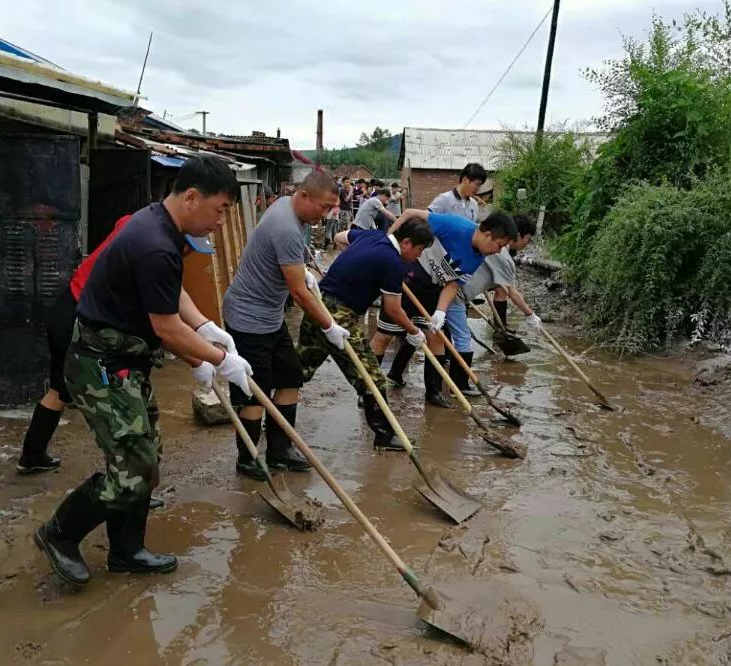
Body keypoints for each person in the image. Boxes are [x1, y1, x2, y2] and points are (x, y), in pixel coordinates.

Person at [33, 155, 253, 586]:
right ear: (192, 197)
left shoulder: (159, 226)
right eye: (221, 209)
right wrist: (217, 359)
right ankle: (59, 533)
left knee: (145, 456)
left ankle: (126, 549)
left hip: (127, 363)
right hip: (102, 365)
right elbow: (165, 326)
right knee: (133, 467)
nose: (222, 221)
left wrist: (205, 326)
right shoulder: (154, 240)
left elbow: (171, 295)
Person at [222, 170, 349, 480]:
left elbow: (289, 269)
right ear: (304, 196)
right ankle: (248, 458)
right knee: (256, 389)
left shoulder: (288, 209)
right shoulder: (286, 227)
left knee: (290, 375)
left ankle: (279, 451)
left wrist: (302, 270)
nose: (326, 214)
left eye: (331, 208)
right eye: (323, 206)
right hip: (249, 319)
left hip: (270, 316)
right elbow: (299, 294)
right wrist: (329, 325)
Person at [299, 218, 433, 449]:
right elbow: (393, 309)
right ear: (407, 242)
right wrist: (414, 331)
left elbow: (340, 237)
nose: (418, 257)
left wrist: (358, 265)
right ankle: (385, 435)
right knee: (371, 375)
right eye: (419, 250)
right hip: (339, 315)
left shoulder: (373, 236)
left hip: (318, 304)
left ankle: (261, 409)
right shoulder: (393, 262)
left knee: (300, 366)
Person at [16, 214, 130, 476]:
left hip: (65, 308)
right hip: (81, 319)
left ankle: (31, 455)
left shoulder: (132, 223)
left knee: (59, 389)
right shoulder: (148, 238)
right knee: (112, 399)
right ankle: (127, 484)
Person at [370, 208, 516, 407]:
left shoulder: (479, 257)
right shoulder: (455, 226)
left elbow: (453, 284)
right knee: (385, 335)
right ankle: (369, 389)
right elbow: (409, 213)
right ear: (488, 235)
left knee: (436, 337)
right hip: (409, 277)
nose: (498, 251)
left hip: (433, 287)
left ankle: (434, 392)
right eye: (499, 245)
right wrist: (386, 244)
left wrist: (440, 311)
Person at [427, 162, 488, 397]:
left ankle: (457, 383)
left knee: (449, 329)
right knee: (432, 328)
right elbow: (426, 226)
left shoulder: (473, 206)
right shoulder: (444, 201)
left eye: (480, 185)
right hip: (437, 267)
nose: (477, 189)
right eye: (476, 183)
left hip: (458, 272)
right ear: (464, 179)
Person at [464, 214, 542, 333]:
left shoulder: (495, 244)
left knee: (500, 288)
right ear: (518, 236)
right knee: (461, 337)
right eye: (528, 238)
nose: (528, 243)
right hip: (460, 291)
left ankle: (501, 327)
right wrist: (530, 314)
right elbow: (513, 293)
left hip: (460, 286)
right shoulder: (501, 255)